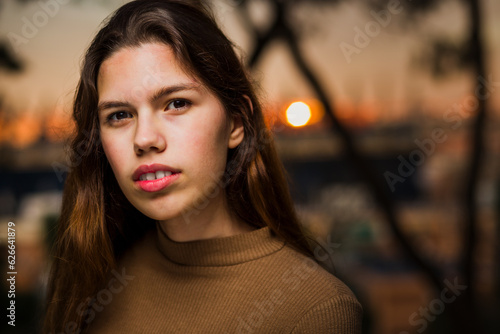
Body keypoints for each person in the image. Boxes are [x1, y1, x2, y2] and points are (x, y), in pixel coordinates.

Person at [42, 0, 362, 333]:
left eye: (176, 103)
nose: (144, 139)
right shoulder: (94, 276)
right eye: (119, 115)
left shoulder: (315, 309)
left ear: (236, 123)